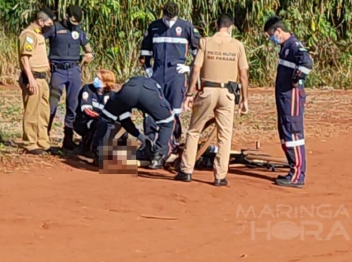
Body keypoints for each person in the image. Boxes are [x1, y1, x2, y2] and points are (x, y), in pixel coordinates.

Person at [174, 13, 249, 187]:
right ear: (231, 27)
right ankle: (220, 176)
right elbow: (243, 75)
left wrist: (189, 94)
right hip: (228, 94)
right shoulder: (238, 46)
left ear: (216, 25)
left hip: (207, 91)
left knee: (194, 131)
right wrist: (244, 99)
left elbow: (196, 69)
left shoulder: (205, 42)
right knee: (225, 135)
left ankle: (186, 171)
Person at [139, 1, 201, 147]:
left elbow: (199, 52)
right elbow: (145, 50)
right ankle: (150, 142)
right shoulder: (154, 26)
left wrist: (189, 68)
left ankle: (173, 142)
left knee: (175, 110)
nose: (169, 22)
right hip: (157, 73)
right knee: (151, 108)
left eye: (172, 20)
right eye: (167, 19)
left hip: (176, 75)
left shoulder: (186, 27)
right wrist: (148, 68)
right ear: (163, 15)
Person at [263, 16, 313, 188]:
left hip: (291, 97)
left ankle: (298, 175)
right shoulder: (285, 47)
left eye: (271, 34)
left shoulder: (293, 45)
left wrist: (296, 80)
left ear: (278, 31)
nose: (271, 38)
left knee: (293, 134)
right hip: (284, 98)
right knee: (285, 133)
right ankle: (293, 169)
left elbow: (307, 62)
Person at [91, 76, 175, 169]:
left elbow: (124, 118)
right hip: (149, 94)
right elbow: (167, 117)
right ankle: (158, 158)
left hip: (128, 91)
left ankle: (98, 155)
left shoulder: (127, 86)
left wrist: (139, 136)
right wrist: (141, 136)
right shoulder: (157, 89)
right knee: (167, 123)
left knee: (106, 118)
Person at [44, 5, 94, 150]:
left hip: (74, 72)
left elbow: (89, 50)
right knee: (52, 105)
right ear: (66, 16)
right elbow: (40, 41)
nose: (74, 26)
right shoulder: (54, 28)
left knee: (72, 106)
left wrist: (88, 55)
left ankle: (68, 138)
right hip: (57, 72)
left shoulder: (79, 32)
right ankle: (44, 136)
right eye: (72, 23)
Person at [18, 8, 56, 155]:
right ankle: (30, 143)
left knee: (43, 112)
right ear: (41, 22)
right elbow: (24, 58)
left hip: (42, 78)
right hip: (33, 78)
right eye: (49, 23)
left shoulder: (39, 34)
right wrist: (31, 79)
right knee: (32, 112)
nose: (50, 25)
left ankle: (43, 141)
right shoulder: (28, 35)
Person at [73, 69, 128, 159]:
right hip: (84, 121)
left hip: (101, 120)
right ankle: (88, 148)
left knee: (122, 127)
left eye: (99, 78)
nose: (95, 80)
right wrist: (102, 117)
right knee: (100, 124)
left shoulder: (111, 94)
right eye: (96, 77)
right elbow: (86, 110)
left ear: (106, 82)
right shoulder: (87, 89)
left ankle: (119, 153)